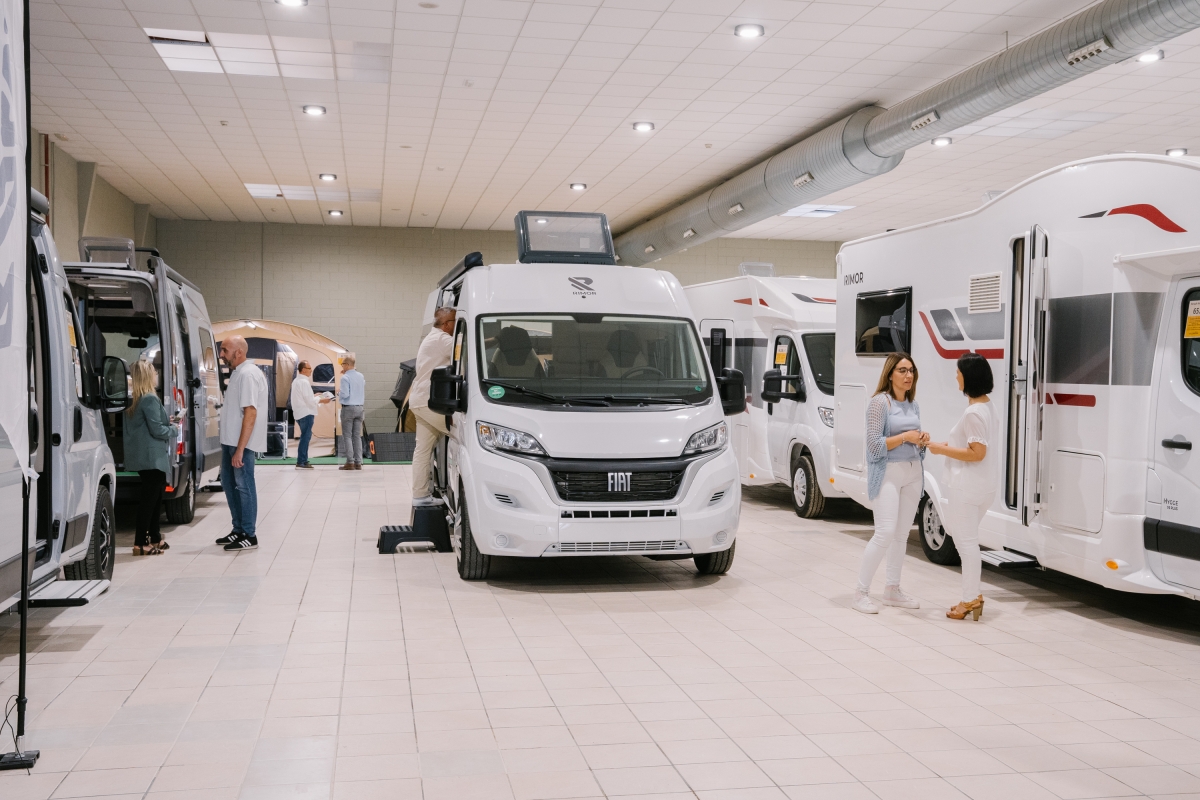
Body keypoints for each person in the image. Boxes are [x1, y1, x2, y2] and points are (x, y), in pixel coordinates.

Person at [927, 353, 999, 621]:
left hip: (967, 487)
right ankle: (972, 596)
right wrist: (942, 446)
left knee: (966, 544)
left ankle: (970, 599)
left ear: (968, 377)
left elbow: (977, 453)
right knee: (963, 539)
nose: (955, 376)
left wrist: (941, 451)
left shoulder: (973, 413)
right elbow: (973, 445)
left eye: (958, 372)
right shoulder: (987, 406)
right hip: (983, 486)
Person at [855, 352, 928, 614]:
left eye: (911, 371)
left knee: (901, 535)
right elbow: (874, 446)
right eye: (902, 371)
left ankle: (892, 590)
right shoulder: (879, 403)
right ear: (890, 374)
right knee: (885, 532)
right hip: (888, 472)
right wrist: (906, 436)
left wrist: (921, 441)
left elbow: (915, 445)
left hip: (913, 472)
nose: (908, 376)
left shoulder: (913, 405)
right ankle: (860, 593)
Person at [216, 336, 268, 551]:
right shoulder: (238, 373)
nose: (221, 354)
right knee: (230, 485)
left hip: (241, 444)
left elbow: (251, 413)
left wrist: (240, 449)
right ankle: (238, 530)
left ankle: (249, 534)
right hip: (230, 442)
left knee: (244, 486)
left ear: (238, 352)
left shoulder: (248, 374)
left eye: (224, 350)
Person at [124, 359, 177, 556]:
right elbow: (158, 431)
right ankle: (140, 543)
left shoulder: (135, 399)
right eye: (154, 372)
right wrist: (174, 428)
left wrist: (165, 421)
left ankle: (155, 537)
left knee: (154, 498)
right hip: (152, 457)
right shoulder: (149, 399)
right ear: (147, 376)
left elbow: (146, 425)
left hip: (142, 456)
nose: (156, 375)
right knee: (149, 501)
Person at [410, 308, 456, 505]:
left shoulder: (431, 337)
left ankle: (420, 496)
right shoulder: (443, 340)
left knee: (422, 450)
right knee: (465, 437)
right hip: (430, 403)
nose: (457, 325)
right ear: (446, 324)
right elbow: (469, 350)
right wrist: (496, 341)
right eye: (456, 321)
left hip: (420, 401)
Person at [290, 360, 330, 469]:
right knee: (305, 437)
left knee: (305, 436)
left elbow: (303, 397)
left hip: (299, 413)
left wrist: (315, 395)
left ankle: (302, 460)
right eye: (309, 368)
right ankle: (302, 461)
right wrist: (322, 400)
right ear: (303, 370)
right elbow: (309, 401)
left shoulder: (296, 381)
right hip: (306, 413)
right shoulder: (304, 382)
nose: (311, 371)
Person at [338, 355, 366, 470]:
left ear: (347, 365)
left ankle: (350, 462)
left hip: (348, 408)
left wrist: (338, 393)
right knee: (357, 436)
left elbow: (345, 394)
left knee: (347, 436)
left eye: (343, 364)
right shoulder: (361, 376)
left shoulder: (345, 378)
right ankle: (358, 462)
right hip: (360, 408)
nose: (342, 367)